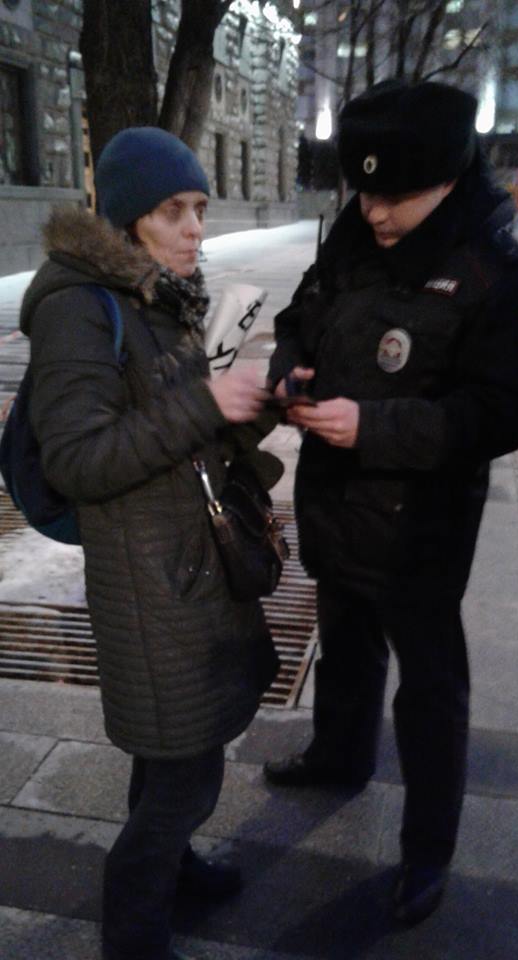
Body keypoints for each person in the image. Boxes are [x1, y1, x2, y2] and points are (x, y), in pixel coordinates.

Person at [263, 80, 518, 926]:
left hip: (420, 526)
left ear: (449, 178)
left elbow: (505, 410)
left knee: (429, 690)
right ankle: (339, 755)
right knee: (345, 647)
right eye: (365, 191)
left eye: (398, 195)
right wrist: (288, 367)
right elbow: (299, 314)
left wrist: (374, 427)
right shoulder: (352, 239)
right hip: (335, 503)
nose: (376, 211)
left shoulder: (496, 272)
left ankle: (427, 850)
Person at [20, 127, 280, 960]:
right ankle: (134, 933)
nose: (195, 228)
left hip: (185, 562)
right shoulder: (77, 307)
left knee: (175, 752)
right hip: (148, 579)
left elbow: (182, 425)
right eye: (174, 210)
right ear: (130, 217)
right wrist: (207, 403)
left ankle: (176, 870)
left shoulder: (157, 295)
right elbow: (78, 458)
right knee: (184, 775)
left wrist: (261, 403)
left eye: (200, 208)